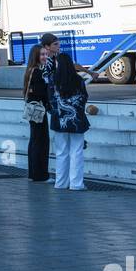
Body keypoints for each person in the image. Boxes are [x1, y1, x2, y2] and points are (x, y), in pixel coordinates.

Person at [40, 33, 94, 191]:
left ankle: (60, 183)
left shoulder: (53, 81)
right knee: (77, 151)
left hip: (59, 120)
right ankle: (77, 184)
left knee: (61, 152)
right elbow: (84, 98)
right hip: (76, 121)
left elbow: (50, 100)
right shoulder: (79, 81)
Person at [23, 43, 50, 182]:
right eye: (42, 54)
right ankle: (41, 175)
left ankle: (33, 173)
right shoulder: (38, 72)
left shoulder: (30, 70)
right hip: (39, 109)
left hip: (32, 109)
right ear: (36, 56)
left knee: (34, 140)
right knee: (41, 141)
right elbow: (41, 93)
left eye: (46, 54)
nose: (45, 57)